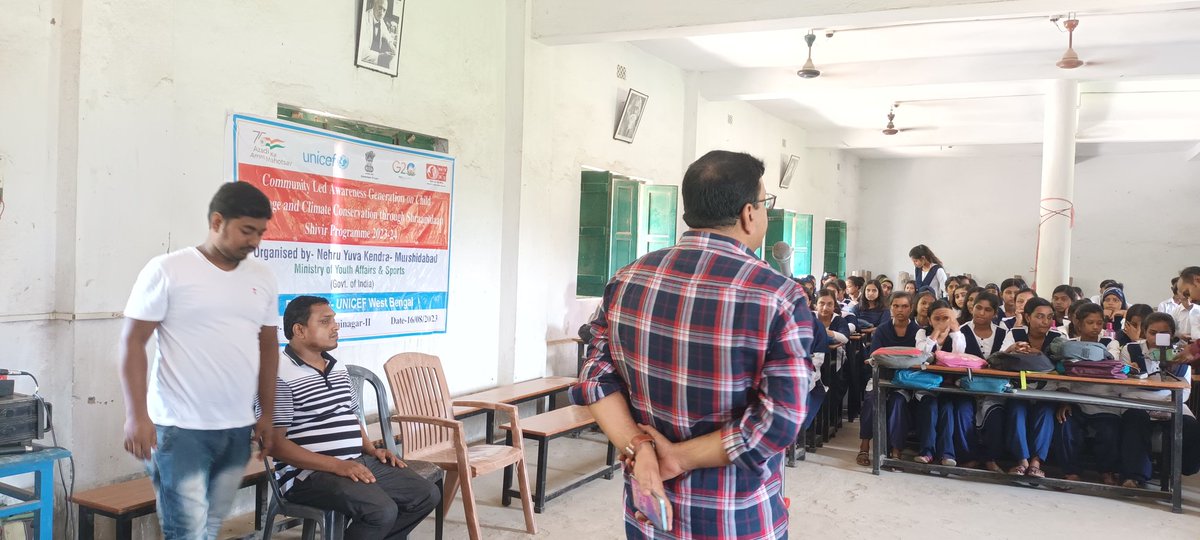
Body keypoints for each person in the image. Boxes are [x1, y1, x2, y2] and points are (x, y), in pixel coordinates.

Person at [569, 151, 813, 539]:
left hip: (650, 510)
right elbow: (779, 421)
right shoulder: (778, 296)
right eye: (765, 203)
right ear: (749, 213)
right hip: (735, 518)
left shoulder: (628, 279)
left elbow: (595, 377)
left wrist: (641, 449)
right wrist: (678, 457)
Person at [119, 182, 280, 538]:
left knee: (208, 527)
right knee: (187, 532)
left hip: (237, 429)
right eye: (246, 230)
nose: (254, 241)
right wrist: (136, 415)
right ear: (217, 221)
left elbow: (268, 347)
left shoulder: (263, 277)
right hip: (179, 429)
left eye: (261, 232)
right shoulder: (168, 270)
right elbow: (132, 343)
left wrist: (266, 413)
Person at [264, 296, 438, 539]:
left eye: (334, 321)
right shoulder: (277, 374)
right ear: (299, 330)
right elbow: (274, 444)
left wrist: (370, 449)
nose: (335, 327)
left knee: (425, 494)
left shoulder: (337, 368)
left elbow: (351, 417)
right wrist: (338, 465)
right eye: (325, 321)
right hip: (307, 475)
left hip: (354, 461)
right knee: (381, 510)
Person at [1119, 313, 1200, 488]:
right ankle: (1134, 476)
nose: (1157, 338)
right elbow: (1124, 383)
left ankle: (1176, 468)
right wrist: (1130, 371)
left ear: (1171, 334)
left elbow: (1184, 391)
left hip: (1170, 401)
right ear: (1144, 332)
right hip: (1138, 400)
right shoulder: (1131, 349)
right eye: (1152, 332)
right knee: (1135, 420)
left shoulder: (1180, 353)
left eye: (1163, 333)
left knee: (1190, 426)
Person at [856, 292, 919, 467]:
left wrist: (893, 358)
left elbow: (919, 358)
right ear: (890, 308)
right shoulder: (882, 330)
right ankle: (864, 444)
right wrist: (900, 359)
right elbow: (875, 357)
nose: (900, 310)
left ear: (911, 308)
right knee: (870, 400)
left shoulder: (917, 331)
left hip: (905, 380)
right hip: (880, 377)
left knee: (899, 403)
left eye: (904, 306)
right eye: (896, 306)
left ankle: (896, 449)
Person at [913, 300, 966, 466]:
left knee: (948, 409)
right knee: (930, 407)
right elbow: (921, 354)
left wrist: (955, 331)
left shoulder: (958, 335)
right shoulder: (922, 333)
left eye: (946, 318)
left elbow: (959, 355)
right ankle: (927, 451)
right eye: (937, 318)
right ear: (929, 320)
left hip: (948, 387)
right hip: (926, 386)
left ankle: (947, 454)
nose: (942, 322)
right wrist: (935, 334)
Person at [358, 0, 399, 67]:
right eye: (380, 8)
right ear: (374, 5)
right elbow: (361, 52)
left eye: (384, 10)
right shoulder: (364, 19)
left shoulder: (381, 21)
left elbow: (387, 36)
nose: (381, 13)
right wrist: (380, 56)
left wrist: (392, 46)